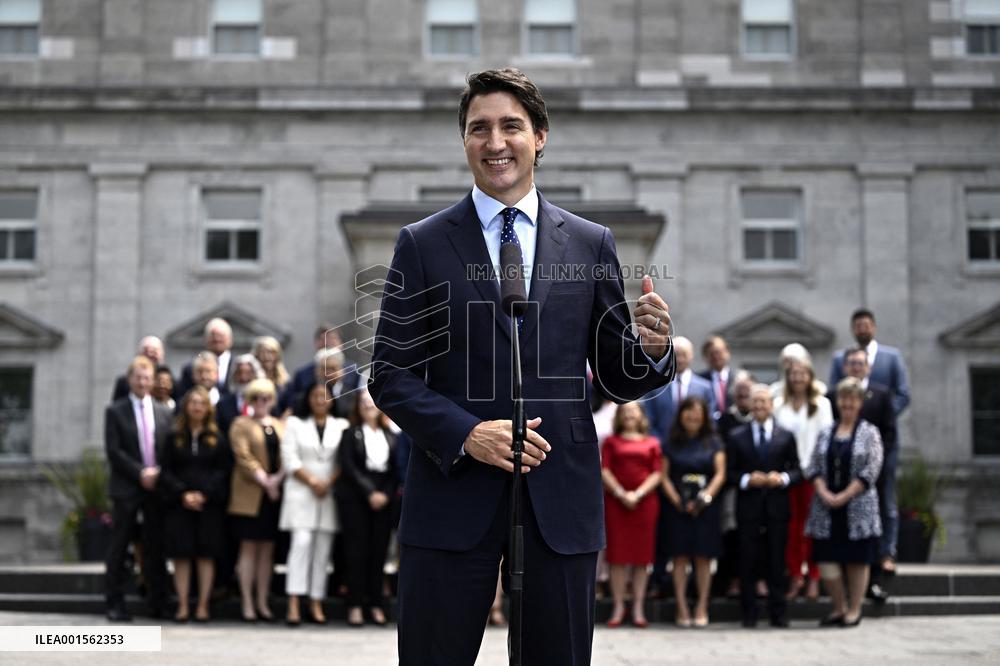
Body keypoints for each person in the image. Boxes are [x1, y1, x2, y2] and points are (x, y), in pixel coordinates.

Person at [369, 68, 675, 665]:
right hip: (452, 501)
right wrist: (468, 434)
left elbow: (616, 375)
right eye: (478, 128)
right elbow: (390, 374)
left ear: (540, 137)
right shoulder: (423, 244)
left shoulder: (589, 244)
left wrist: (654, 352)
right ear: (464, 142)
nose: (495, 142)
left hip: (559, 504)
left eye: (511, 126)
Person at [806, 377, 884, 628]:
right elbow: (813, 466)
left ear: (860, 403)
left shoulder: (870, 432)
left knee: (856, 559)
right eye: (844, 398)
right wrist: (825, 493)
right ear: (838, 401)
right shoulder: (826, 431)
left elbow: (871, 470)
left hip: (857, 507)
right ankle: (838, 607)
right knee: (827, 560)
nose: (847, 403)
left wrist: (845, 495)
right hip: (825, 507)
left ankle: (854, 609)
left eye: (853, 399)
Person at [641, 336, 713, 598]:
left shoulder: (704, 387)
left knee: (695, 532)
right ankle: (659, 579)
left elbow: (709, 422)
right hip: (665, 459)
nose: (680, 358)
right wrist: (665, 448)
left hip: (695, 462)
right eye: (676, 354)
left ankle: (694, 587)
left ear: (691, 356)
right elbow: (649, 419)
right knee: (666, 526)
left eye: (684, 354)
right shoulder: (656, 384)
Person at [104, 355, 172, 621]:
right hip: (127, 488)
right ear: (129, 379)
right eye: (138, 377)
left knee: (157, 547)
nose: (143, 382)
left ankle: (159, 603)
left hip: (156, 488)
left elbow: (168, 450)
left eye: (147, 378)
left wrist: (157, 473)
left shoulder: (165, 412)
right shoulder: (115, 411)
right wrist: (139, 473)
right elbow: (114, 450)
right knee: (120, 547)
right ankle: (114, 603)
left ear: (153, 381)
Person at [728, 385, 801, 628]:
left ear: (772, 405)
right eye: (755, 402)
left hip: (776, 508)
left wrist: (783, 478)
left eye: (764, 402)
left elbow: (797, 470)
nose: (759, 406)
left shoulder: (786, 435)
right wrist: (748, 479)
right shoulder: (737, 436)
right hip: (748, 507)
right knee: (747, 560)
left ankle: (778, 613)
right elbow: (729, 472)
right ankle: (749, 613)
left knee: (776, 561)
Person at [830, 347, 898, 601]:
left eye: (861, 363)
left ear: (868, 366)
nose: (857, 367)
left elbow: (889, 434)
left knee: (872, 530)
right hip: (839, 478)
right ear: (845, 367)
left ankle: (874, 581)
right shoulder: (833, 395)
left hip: (871, 477)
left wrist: (877, 467)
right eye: (852, 363)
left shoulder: (880, 396)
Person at [279, 381, 349, 625]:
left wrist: (328, 482)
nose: (320, 400)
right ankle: (294, 602)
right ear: (308, 399)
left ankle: (316, 601)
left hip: (328, 494)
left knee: (322, 551)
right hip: (301, 492)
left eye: (325, 396)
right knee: (301, 544)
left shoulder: (342, 426)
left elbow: (346, 460)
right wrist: (312, 481)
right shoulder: (295, 424)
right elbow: (289, 459)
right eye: (316, 396)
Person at [159, 386, 231, 623]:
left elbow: (222, 471)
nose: (197, 407)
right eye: (193, 402)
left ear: (207, 408)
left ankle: (202, 605)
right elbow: (166, 470)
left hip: (208, 506)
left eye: (202, 403)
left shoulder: (217, 438)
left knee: (205, 554)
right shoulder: (174, 437)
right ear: (186, 407)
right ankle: (182, 605)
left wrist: (204, 495)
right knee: (181, 555)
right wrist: (183, 493)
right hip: (180, 504)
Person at [335, 389, 400, 626]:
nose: (367, 406)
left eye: (371, 402)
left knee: (379, 554)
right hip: (356, 499)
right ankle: (354, 605)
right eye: (363, 402)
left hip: (383, 500)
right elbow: (348, 466)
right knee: (356, 553)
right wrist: (369, 492)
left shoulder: (390, 434)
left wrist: (383, 493)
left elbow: (395, 469)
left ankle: (376, 604)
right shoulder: (350, 433)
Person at [660, 397, 725, 628]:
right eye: (688, 412)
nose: (693, 416)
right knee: (679, 557)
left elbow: (720, 474)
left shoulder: (714, 441)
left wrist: (705, 497)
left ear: (705, 416)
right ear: (681, 415)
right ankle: (682, 606)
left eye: (697, 412)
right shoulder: (671, 442)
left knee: (703, 557)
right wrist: (677, 500)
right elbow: (663, 475)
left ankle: (701, 606)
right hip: (677, 507)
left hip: (705, 508)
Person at [773, 355, 833, 601]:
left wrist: (816, 470)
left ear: (810, 377)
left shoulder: (822, 404)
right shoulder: (779, 404)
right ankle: (796, 575)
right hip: (788, 475)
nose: (797, 377)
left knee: (813, 528)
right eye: (793, 373)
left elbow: (826, 440)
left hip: (813, 475)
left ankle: (814, 578)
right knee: (792, 528)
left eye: (802, 373)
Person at [227, 378, 285, 622]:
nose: (261, 403)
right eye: (256, 398)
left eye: (266, 398)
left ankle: (262, 601)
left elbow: (288, 456)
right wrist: (266, 481)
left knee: (267, 551)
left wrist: (277, 480)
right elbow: (243, 457)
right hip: (251, 494)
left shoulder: (280, 425)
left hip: (274, 496)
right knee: (249, 548)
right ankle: (247, 603)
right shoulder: (241, 424)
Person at [600, 402, 662, 628]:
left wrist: (637, 494)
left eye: (633, 411)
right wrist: (620, 493)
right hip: (617, 503)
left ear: (641, 415)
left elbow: (657, 473)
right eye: (624, 412)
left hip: (644, 505)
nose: (629, 414)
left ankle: (638, 607)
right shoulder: (611, 441)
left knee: (642, 558)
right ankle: (618, 605)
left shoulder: (652, 442)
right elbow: (604, 469)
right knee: (617, 557)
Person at [713, 370, 755, 598]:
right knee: (730, 533)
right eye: (739, 394)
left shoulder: (764, 419)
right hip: (731, 484)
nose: (743, 397)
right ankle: (730, 580)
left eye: (747, 393)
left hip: (756, 485)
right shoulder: (725, 420)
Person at [828, 308, 911, 416]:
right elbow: (834, 392)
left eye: (866, 326)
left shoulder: (892, 357)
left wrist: (885, 416)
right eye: (858, 326)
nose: (863, 330)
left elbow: (903, 394)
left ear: (874, 327)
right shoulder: (839, 359)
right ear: (852, 329)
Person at [177, 318, 234, 397]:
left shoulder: (239, 367)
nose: (217, 339)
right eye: (212, 336)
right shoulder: (190, 368)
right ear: (205, 340)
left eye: (221, 336)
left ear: (230, 340)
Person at [110, 336, 168, 403]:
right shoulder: (124, 382)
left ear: (162, 354)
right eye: (146, 351)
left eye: (154, 351)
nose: (150, 354)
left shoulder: (169, 381)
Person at [218, 354, 264, 434]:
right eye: (239, 373)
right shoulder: (223, 404)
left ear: (256, 375)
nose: (243, 378)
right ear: (234, 376)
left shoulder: (265, 402)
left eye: (248, 373)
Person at [697, 335, 735, 415]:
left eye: (718, 352)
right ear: (705, 357)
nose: (716, 356)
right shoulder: (699, 380)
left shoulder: (738, 379)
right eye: (711, 353)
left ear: (728, 353)